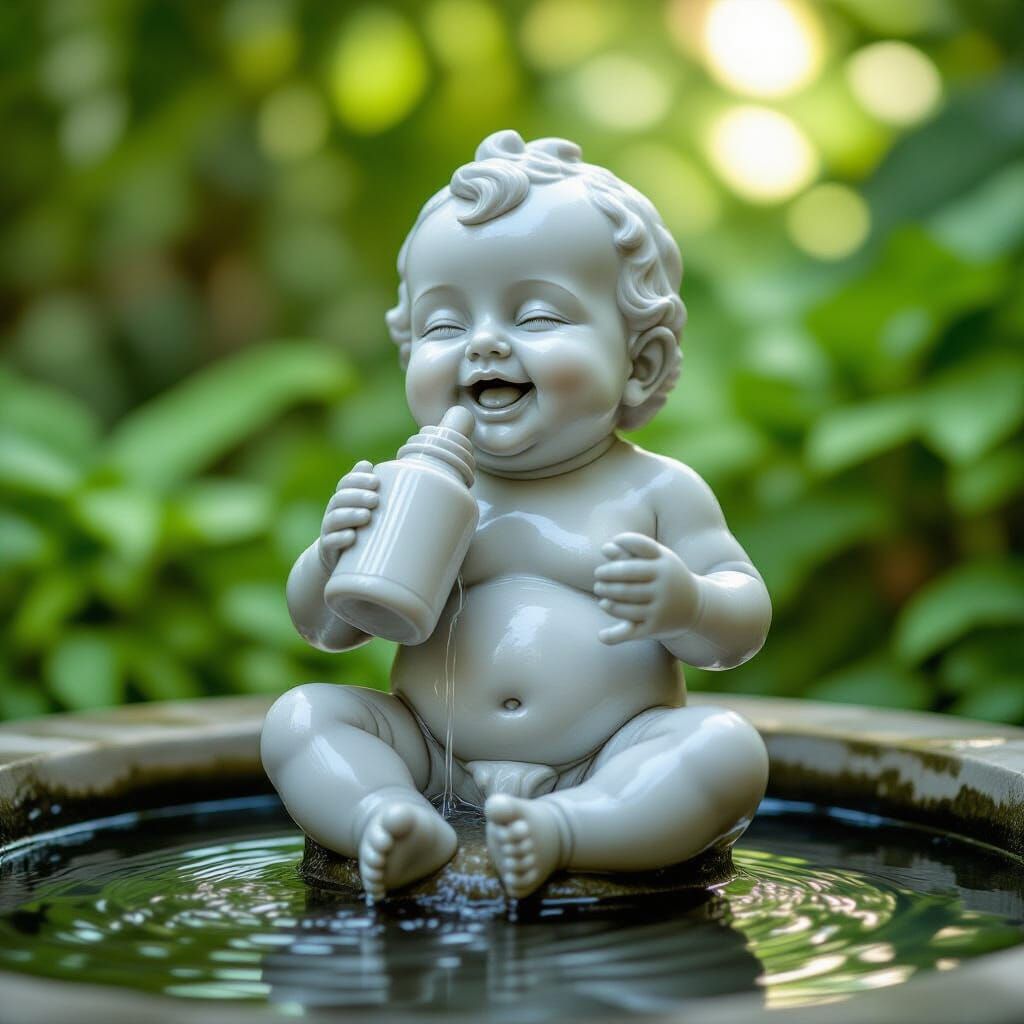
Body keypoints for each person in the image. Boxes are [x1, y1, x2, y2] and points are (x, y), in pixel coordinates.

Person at [262, 130, 771, 902]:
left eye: (536, 317)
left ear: (640, 364)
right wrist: (330, 559)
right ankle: (385, 816)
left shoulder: (658, 491)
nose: (484, 343)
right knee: (301, 718)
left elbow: (742, 622)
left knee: (725, 750)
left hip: (611, 751)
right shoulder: (406, 485)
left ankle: (574, 828)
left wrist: (687, 601)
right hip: (435, 751)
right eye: (443, 325)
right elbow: (325, 630)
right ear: (408, 355)